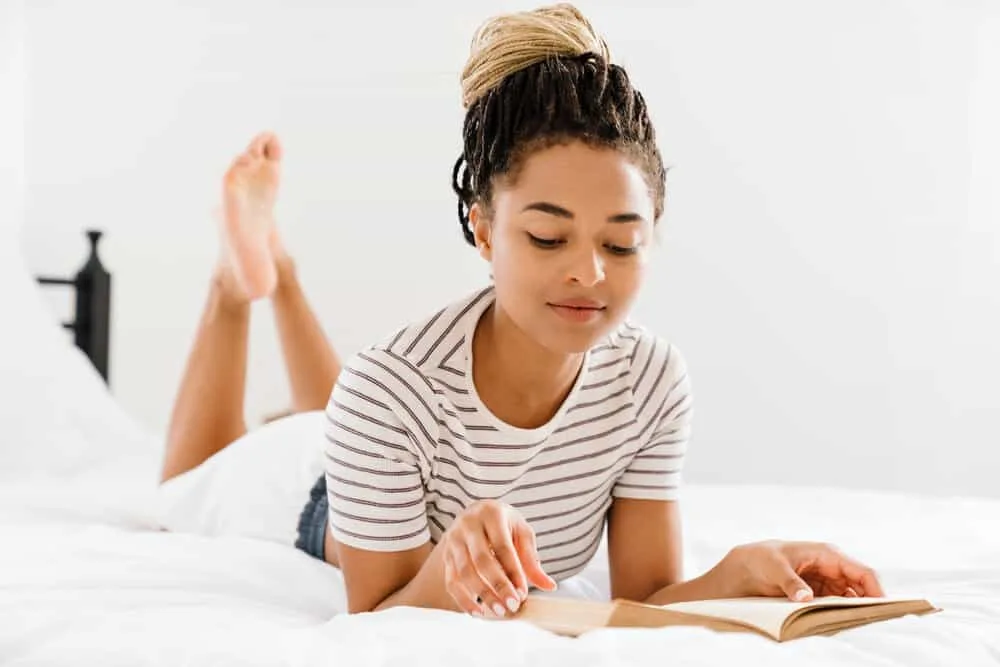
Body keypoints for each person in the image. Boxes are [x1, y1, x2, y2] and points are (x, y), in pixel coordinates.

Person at [161, 3, 884, 622]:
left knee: (336, 409)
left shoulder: (650, 379)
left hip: (375, 435)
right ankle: (241, 279)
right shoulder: (385, 391)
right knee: (185, 487)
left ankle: (278, 266)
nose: (589, 272)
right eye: (546, 235)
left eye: (622, 242)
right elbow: (375, 619)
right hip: (309, 495)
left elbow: (648, 597)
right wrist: (450, 561)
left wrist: (737, 572)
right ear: (482, 227)